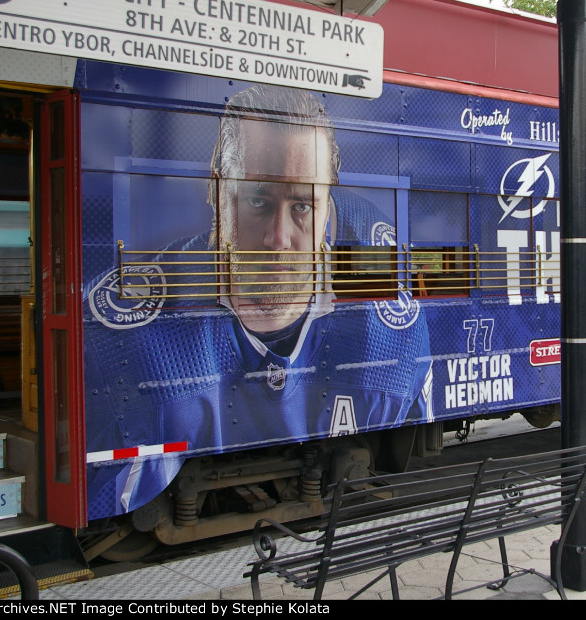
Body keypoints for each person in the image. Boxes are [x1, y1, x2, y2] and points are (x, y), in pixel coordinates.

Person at [83, 84, 432, 518]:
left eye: (302, 206)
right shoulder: (121, 344)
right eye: (257, 200)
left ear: (328, 206)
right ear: (216, 190)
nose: (278, 239)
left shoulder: (393, 338)